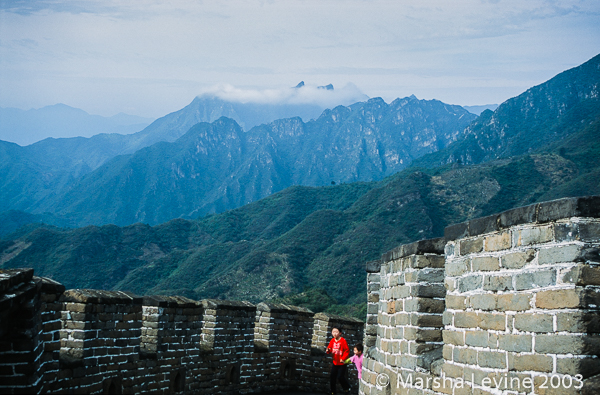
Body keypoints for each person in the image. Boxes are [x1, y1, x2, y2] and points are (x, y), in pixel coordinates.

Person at [326, 327, 350, 394]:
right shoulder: (332, 340)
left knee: (340, 377)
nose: (334, 333)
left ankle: (346, 387)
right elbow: (330, 348)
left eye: (336, 332)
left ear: (340, 333)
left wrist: (343, 358)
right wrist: (328, 350)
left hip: (342, 363)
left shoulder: (343, 341)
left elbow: (347, 350)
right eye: (333, 332)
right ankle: (333, 391)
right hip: (335, 362)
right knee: (332, 377)